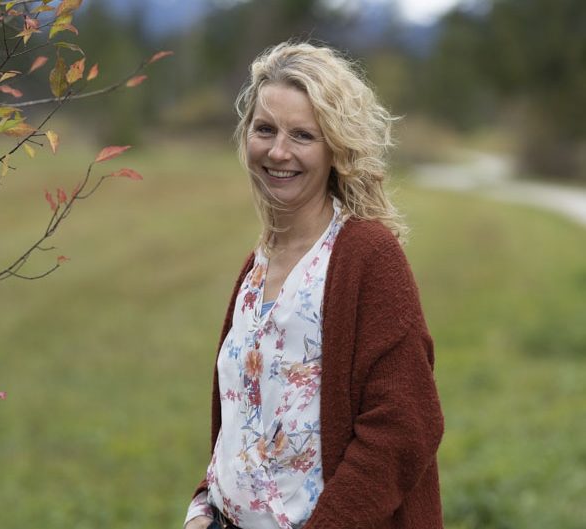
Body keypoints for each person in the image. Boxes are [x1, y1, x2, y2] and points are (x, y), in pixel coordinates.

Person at [184, 41, 444, 529]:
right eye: (265, 129)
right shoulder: (257, 267)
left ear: (335, 150)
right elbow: (246, 424)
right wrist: (203, 506)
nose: (277, 151)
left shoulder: (367, 256)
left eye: (302, 135)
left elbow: (406, 424)